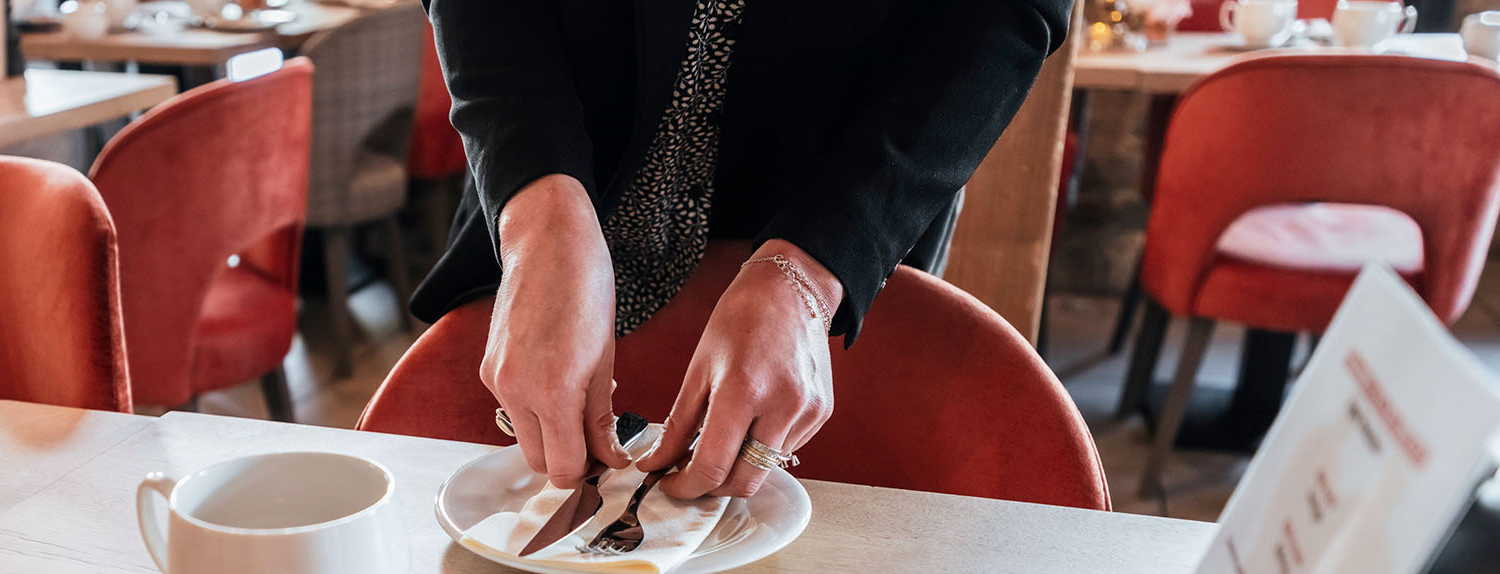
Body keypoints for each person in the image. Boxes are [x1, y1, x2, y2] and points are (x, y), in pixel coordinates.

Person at [414, 0, 1074, 497]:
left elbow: (1007, 10)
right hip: (548, 158)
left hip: (844, 193)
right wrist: (537, 209)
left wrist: (816, 269)